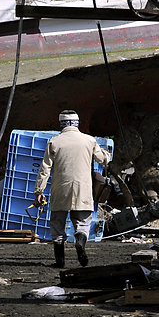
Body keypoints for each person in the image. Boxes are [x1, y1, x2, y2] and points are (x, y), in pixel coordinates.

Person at [33, 110, 112, 268]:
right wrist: (107, 154)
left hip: (60, 189)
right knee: (82, 222)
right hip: (82, 189)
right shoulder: (89, 141)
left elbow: (45, 169)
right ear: (77, 123)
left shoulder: (54, 142)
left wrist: (39, 192)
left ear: (61, 123)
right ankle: (80, 241)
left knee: (57, 224)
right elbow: (103, 159)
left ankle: (60, 261)